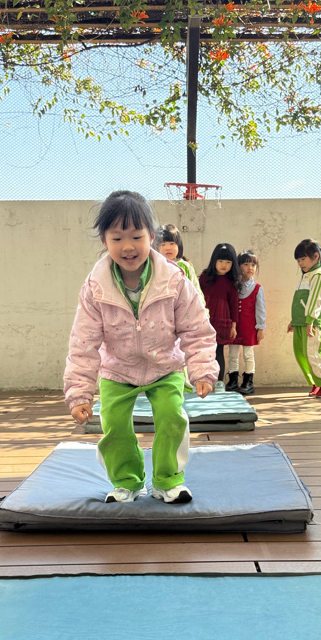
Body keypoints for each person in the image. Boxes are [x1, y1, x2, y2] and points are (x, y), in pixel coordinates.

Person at [64, 190, 218, 505]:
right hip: (118, 369)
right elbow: (83, 342)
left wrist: (202, 369)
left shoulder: (174, 281)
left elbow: (196, 327)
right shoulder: (95, 287)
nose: (128, 246)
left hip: (164, 366)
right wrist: (80, 393)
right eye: (117, 238)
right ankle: (126, 482)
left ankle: (168, 480)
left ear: (151, 237)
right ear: (104, 240)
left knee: (171, 416)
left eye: (136, 236)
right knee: (114, 424)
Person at [287, 238, 321, 398]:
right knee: (301, 353)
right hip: (301, 322)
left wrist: (310, 320)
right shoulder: (307, 275)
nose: (300, 263)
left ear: (315, 256)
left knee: (312, 353)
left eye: (303, 259)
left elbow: (316, 299)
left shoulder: (318, 275)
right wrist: (294, 321)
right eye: (298, 260)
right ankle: (317, 382)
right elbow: (300, 301)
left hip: (312, 323)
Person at [199, 243, 240, 391]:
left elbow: (234, 305)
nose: (224, 265)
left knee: (218, 352)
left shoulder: (232, 282)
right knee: (202, 352)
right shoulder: (204, 278)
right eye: (220, 261)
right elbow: (197, 298)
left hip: (222, 321)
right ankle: (201, 381)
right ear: (214, 261)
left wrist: (233, 326)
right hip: (204, 319)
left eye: (228, 262)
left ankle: (219, 382)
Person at [226, 250, 266, 395]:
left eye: (253, 265)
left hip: (249, 327)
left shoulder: (257, 288)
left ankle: (248, 381)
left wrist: (261, 328)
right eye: (246, 264)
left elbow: (261, 309)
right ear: (238, 266)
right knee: (233, 353)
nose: (250, 268)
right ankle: (232, 380)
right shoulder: (233, 286)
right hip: (234, 327)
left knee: (248, 354)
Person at [154, 224, 206, 306]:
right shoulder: (154, 266)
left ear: (179, 245)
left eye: (172, 243)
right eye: (163, 244)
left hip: (183, 308)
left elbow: (196, 290)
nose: (168, 248)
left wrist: (202, 309)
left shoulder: (185, 266)